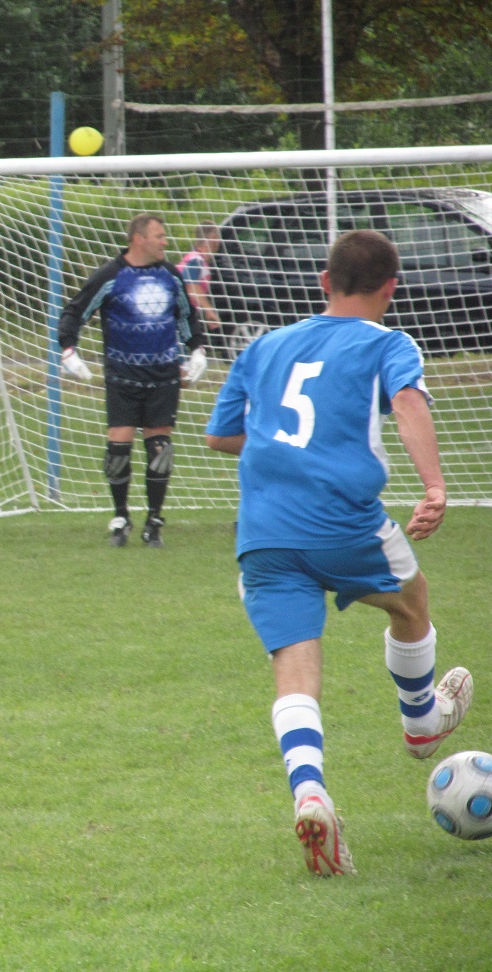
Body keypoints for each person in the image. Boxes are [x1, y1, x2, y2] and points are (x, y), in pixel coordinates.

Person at [204, 229, 472, 877]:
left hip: (264, 531)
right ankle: (421, 722)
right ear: (391, 289)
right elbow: (406, 402)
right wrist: (434, 486)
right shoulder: (388, 343)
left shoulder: (263, 345)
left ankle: (310, 794)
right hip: (343, 521)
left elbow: (221, 435)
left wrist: (283, 448)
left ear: (325, 282)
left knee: (295, 670)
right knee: (411, 601)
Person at [56, 212, 207, 548]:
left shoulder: (170, 275)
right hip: (122, 377)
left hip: (164, 376)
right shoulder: (111, 276)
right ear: (139, 239)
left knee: (159, 449)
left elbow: (187, 315)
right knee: (118, 448)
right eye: (159, 236)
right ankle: (121, 516)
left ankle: (154, 521)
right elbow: (75, 311)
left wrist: (197, 350)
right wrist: (68, 350)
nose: (165, 241)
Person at [176, 221, 226, 355]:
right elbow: (191, 286)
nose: (219, 242)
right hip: (176, 316)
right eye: (217, 237)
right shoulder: (196, 260)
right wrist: (209, 310)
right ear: (212, 239)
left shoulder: (196, 259)